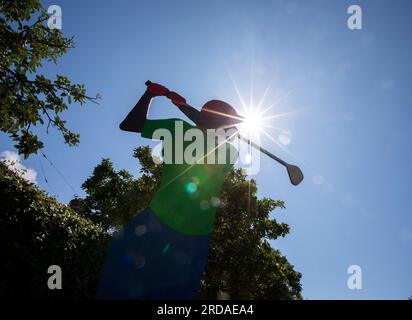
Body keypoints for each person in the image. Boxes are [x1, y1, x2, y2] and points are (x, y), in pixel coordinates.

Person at [96, 81, 241, 299]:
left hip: (154, 224)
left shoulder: (177, 129)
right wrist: (183, 107)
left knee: (117, 287)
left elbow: (130, 124)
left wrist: (150, 95)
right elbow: (210, 127)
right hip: (194, 242)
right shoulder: (230, 152)